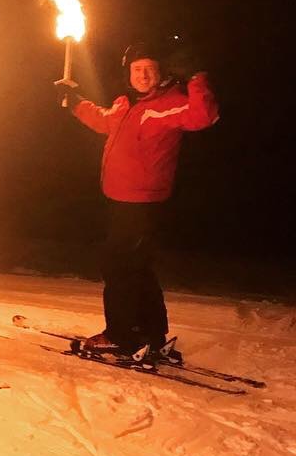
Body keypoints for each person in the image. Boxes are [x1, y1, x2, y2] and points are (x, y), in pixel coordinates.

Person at [57, 40, 219, 356]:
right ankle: (150, 331)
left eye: (149, 70)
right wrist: (75, 102)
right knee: (138, 266)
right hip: (120, 199)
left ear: (161, 73)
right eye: (136, 70)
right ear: (128, 74)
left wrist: (196, 77)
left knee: (118, 266)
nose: (142, 76)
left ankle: (121, 333)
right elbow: (104, 120)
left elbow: (204, 115)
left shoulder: (167, 103)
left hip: (142, 203)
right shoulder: (126, 103)